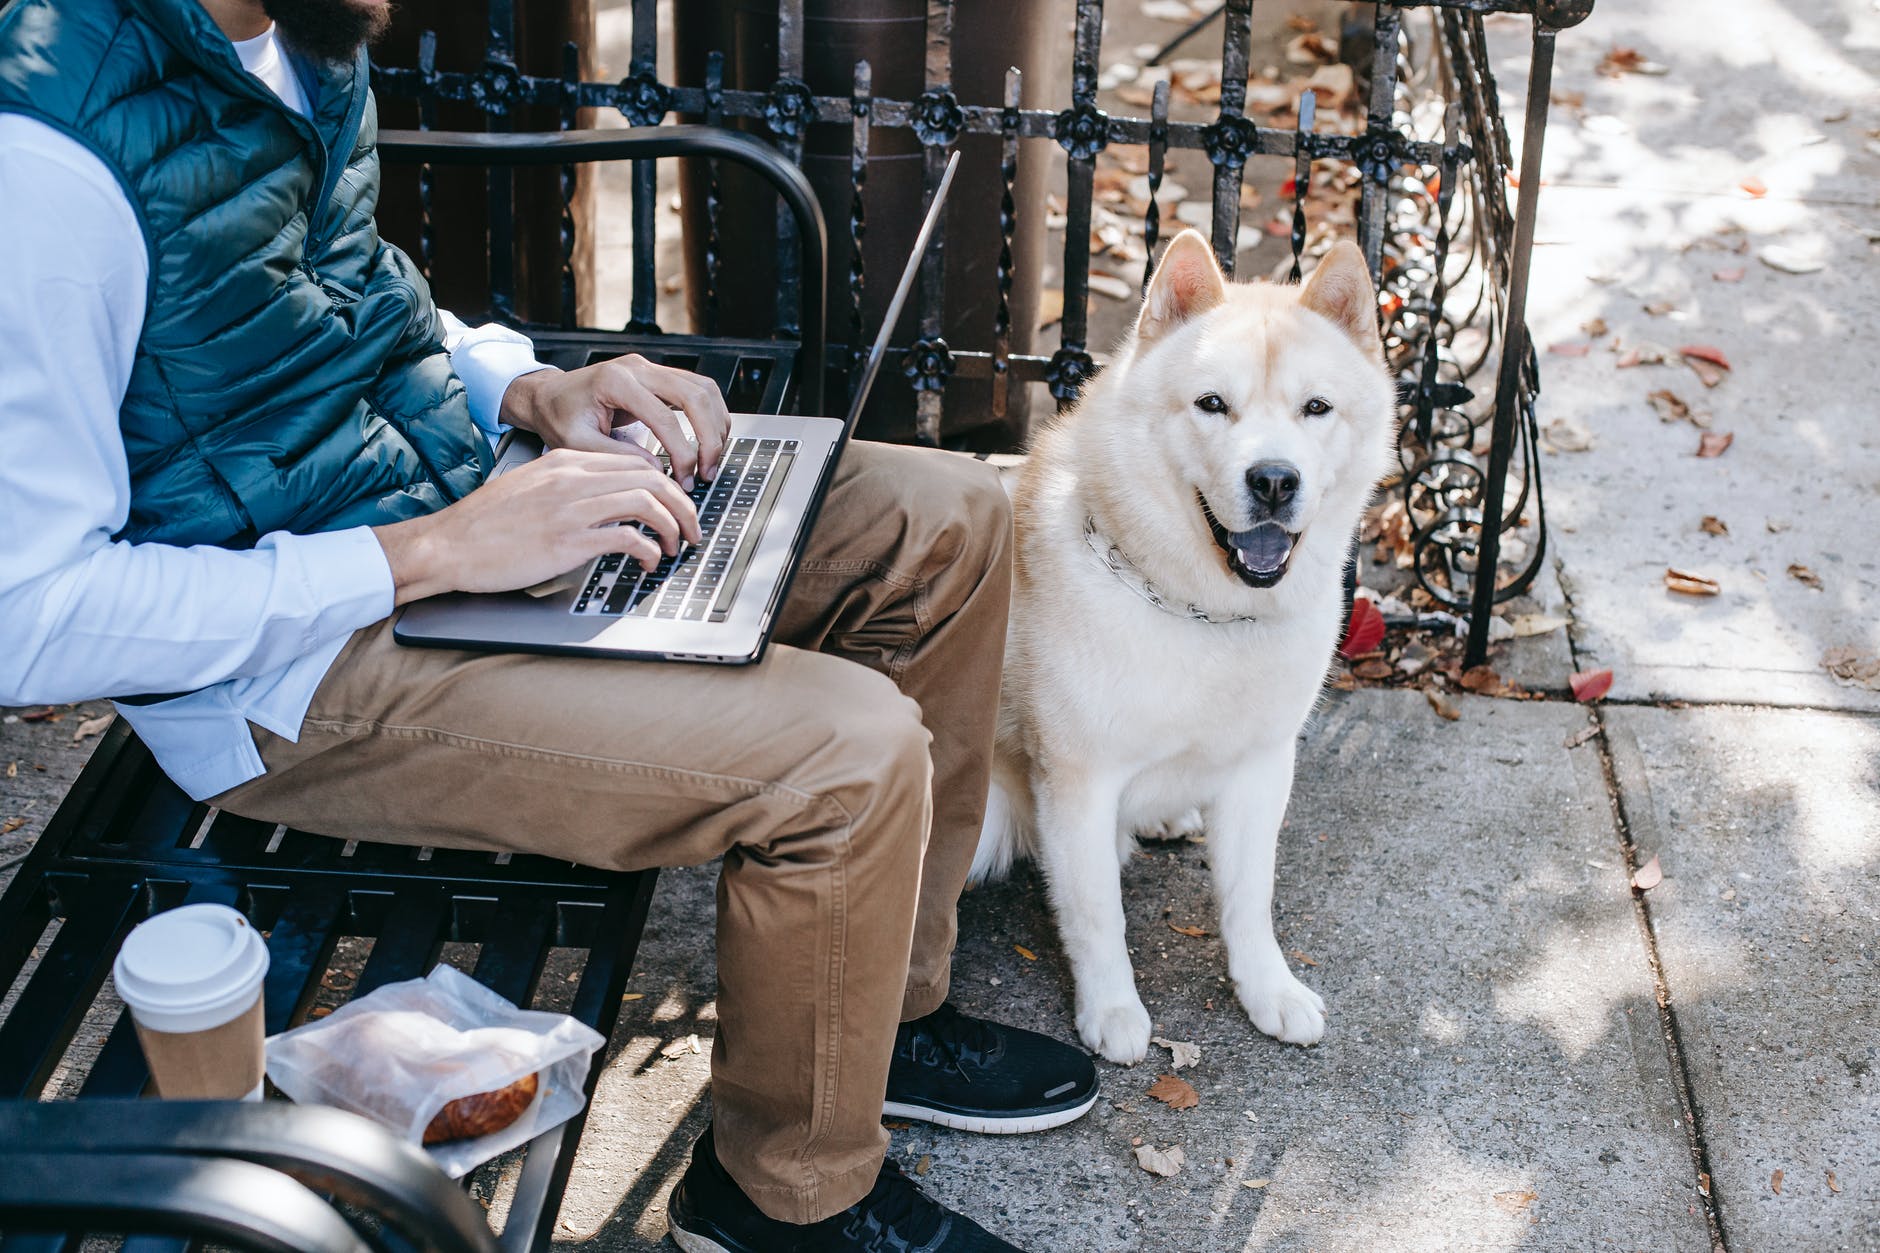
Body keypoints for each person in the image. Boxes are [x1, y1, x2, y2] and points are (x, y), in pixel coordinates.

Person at [0, 0, 1098, 1247]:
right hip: (290, 666)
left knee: (945, 519)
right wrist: (430, 553)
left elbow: (354, 298)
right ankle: (783, 1199)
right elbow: (24, 615)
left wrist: (533, 387)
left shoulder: (297, 32)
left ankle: (872, 1022)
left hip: (449, 503)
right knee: (843, 753)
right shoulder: (45, 162)